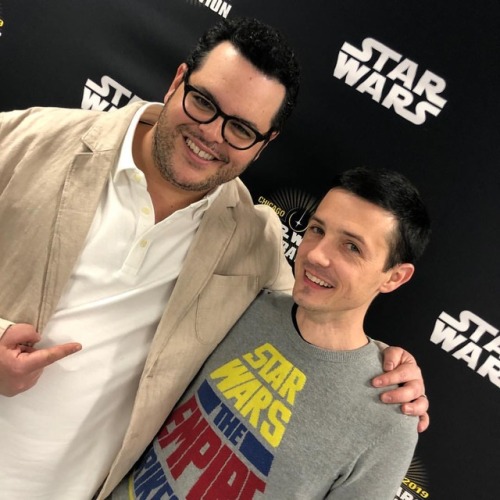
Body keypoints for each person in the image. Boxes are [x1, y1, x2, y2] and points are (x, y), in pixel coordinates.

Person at [0, 18, 428, 500]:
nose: (210, 133)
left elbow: (319, 314)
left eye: (242, 128)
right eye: (204, 101)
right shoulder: (24, 138)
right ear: (178, 80)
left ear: (265, 144)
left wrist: (390, 372)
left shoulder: (254, 241)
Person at [111, 166, 431, 499]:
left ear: (394, 277)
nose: (317, 254)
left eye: (351, 247)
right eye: (317, 230)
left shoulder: (390, 418)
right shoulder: (246, 301)